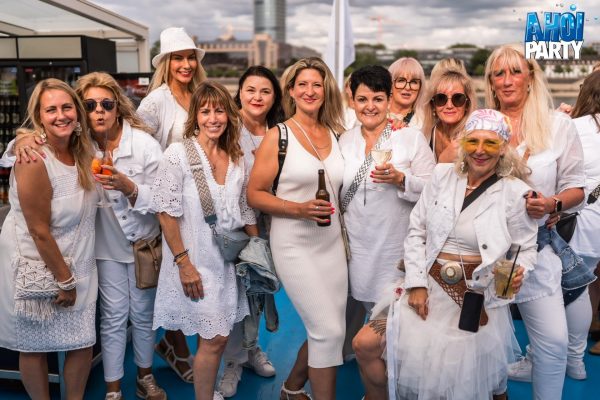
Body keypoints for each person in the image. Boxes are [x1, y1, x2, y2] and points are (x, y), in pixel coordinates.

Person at [388, 109, 537, 400]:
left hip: (477, 297)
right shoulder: (442, 176)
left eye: (490, 143)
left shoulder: (515, 193)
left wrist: (520, 272)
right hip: (430, 291)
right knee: (426, 374)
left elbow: (525, 248)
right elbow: (416, 231)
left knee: (462, 381)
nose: (480, 150)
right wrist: (416, 283)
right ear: (463, 144)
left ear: (503, 148)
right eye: (473, 141)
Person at [484, 44, 586, 400]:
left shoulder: (559, 125)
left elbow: (577, 188)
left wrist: (552, 203)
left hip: (534, 249)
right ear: (490, 82)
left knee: (554, 342)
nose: (507, 80)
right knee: (478, 343)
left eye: (515, 71)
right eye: (499, 73)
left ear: (530, 78)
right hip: (482, 251)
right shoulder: (482, 124)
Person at [247, 57, 346, 400]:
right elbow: (255, 193)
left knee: (332, 331)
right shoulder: (279, 136)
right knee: (327, 331)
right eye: (302, 84)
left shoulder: (336, 134)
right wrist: (299, 209)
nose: (309, 91)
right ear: (290, 91)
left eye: (316, 84)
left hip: (332, 245)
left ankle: (291, 389)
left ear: (325, 90)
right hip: (294, 245)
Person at [151, 81, 256, 400]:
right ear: (195, 116)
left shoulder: (236, 157)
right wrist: (184, 264)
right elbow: (165, 213)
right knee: (214, 339)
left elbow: (244, 208)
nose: (213, 118)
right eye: (205, 111)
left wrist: (258, 252)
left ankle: (207, 394)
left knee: (217, 337)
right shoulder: (178, 154)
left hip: (226, 263)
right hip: (193, 261)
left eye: (219, 111)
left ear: (229, 115)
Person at [340, 65, 435, 399]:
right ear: (352, 100)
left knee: (391, 338)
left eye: (378, 99)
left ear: (389, 99)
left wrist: (401, 180)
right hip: (359, 254)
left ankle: (394, 390)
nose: (370, 106)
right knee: (375, 329)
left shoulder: (410, 138)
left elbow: (434, 190)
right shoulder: (344, 141)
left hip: (397, 256)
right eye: (362, 99)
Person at [0, 78, 97, 399]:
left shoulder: (83, 152)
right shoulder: (32, 159)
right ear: (39, 117)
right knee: (34, 346)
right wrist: (65, 280)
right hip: (39, 265)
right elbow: (38, 230)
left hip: (80, 261)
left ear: (78, 112)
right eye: (51, 109)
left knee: (82, 342)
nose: (61, 115)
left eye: (67, 107)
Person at [76, 72, 166, 400]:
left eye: (106, 104)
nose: (99, 111)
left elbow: (164, 201)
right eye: (89, 105)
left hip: (144, 244)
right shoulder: (78, 147)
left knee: (143, 315)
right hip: (105, 249)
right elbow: (18, 151)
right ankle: (113, 388)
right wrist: (24, 140)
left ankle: (145, 376)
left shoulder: (144, 145)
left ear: (118, 107)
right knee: (113, 317)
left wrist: (130, 188)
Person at [137, 26, 207, 382]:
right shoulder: (156, 102)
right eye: (177, 58)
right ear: (165, 62)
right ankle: (178, 350)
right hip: (172, 201)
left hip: (203, 201)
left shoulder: (200, 94)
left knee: (201, 270)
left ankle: (175, 344)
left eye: (190, 57)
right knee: (175, 274)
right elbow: (137, 149)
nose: (186, 64)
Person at [218, 65, 284, 398]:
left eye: (265, 91)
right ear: (240, 93)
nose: (257, 97)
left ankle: (251, 347)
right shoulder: (227, 129)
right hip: (236, 225)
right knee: (236, 292)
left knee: (258, 288)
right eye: (251, 90)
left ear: (275, 97)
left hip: (272, 221)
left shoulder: (280, 131)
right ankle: (233, 361)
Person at [558, 70, 600, 371]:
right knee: (585, 286)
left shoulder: (574, 127)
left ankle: (568, 357)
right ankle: (575, 357)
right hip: (595, 224)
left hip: (578, 220)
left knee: (570, 290)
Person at [421, 69, 476, 163]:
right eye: (441, 98)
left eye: (458, 98)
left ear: (467, 104)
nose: (449, 106)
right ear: (433, 105)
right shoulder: (426, 135)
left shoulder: (474, 138)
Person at [387, 57, 426, 130]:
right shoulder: (373, 112)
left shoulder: (426, 123)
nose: (407, 87)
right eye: (401, 80)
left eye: (414, 82)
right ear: (390, 84)